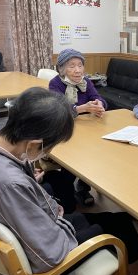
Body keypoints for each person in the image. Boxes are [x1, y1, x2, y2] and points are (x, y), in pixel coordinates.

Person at [0, 87, 138, 275]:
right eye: (50, 147)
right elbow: (51, 257)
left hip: (7, 249)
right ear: (34, 144)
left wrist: (40, 196)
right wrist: (56, 214)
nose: (49, 152)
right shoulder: (11, 185)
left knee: (104, 217)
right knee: (120, 224)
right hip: (32, 272)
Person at [48, 48, 107, 207]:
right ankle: (67, 190)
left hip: (88, 129)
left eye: (80, 65)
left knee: (95, 149)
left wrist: (100, 104)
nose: (77, 70)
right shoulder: (55, 84)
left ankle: (83, 185)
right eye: (71, 66)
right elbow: (58, 110)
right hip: (64, 129)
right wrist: (82, 109)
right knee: (74, 156)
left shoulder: (86, 82)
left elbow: (97, 97)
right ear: (61, 69)